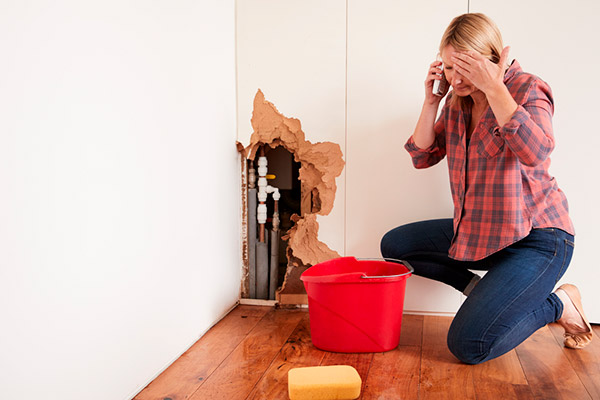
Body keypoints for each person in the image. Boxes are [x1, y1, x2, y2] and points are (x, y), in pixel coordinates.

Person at [380, 13, 593, 364]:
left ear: (493, 58)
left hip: (540, 239)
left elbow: (536, 151)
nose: (457, 78)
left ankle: (560, 304)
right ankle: (482, 291)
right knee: (396, 246)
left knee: (469, 346)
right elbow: (422, 156)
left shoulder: (527, 88)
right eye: (450, 67)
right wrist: (432, 101)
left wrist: (495, 88)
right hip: (485, 232)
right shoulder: (456, 102)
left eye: (467, 66)